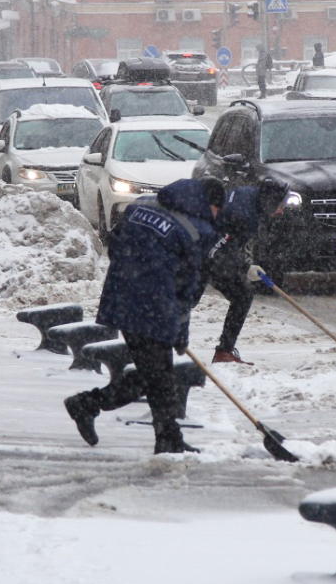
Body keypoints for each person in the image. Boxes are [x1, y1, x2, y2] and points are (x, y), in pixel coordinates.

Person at [63, 177, 224, 454]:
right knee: (159, 378)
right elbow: (187, 289)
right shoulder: (198, 230)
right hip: (154, 308)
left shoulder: (143, 204)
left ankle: (93, 407)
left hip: (122, 296)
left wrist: (134, 269)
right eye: (217, 210)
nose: (216, 217)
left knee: (155, 376)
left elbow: (114, 243)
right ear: (209, 204)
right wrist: (180, 333)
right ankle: (161, 436)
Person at [205, 178, 291, 364]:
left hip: (209, 246)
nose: (282, 210)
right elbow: (218, 250)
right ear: (269, 201)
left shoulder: (251, 196)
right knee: (241, 294)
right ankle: (223, 352)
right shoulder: (243, 216)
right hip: (202, 252)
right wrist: (245, 267)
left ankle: (224, 351)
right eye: (280, 204)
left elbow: (231, 244)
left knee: (241, 293)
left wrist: (243, 263)